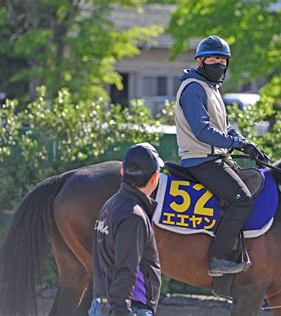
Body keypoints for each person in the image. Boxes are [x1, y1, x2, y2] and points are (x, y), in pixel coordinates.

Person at [174, 35, 269, 277]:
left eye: (222, 59)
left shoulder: (211, 88)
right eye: (213, 59)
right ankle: (218, 258)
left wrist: (247, 144)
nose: (218, 64)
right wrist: (237, 144)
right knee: (242, 200)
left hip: (214, 158)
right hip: (201, 160)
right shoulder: (194, 88)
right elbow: (203, 131)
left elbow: (225, 128)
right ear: (200, 61)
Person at [89, 143, 164, 316]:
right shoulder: (134, 216)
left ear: (122, 172)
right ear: (154, 178)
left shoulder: (110, 204)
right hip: (128, 308)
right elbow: (126, 270)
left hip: (101, 304)